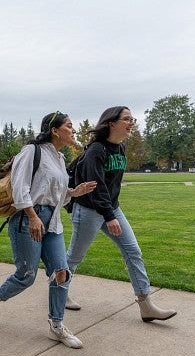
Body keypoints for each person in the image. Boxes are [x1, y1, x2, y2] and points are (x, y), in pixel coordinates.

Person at [0, 111, 97, 349]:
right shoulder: (31, 151)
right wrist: (33, 217)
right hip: (28, 218)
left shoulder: (60, 158)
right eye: (69, 126)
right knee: (26, 276)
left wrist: (74, 192)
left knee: (61, 272)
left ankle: (56, 326)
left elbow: (55, 196)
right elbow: (20, 188)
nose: (73, 130)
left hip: (52, 221)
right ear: (55, 130)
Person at [65, 106, 177, 322]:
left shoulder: (121, 148)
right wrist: (109, 216)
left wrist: (111, 211)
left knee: (133, 251)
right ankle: (59, 292)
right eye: (127, 119)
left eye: (132, 118)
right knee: (74, 257)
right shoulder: (97, 150)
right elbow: (96, 187)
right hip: (89, 210)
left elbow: (112, 184)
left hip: (111, 208)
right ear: (111, 123)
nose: (131, 122)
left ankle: (146, 305)